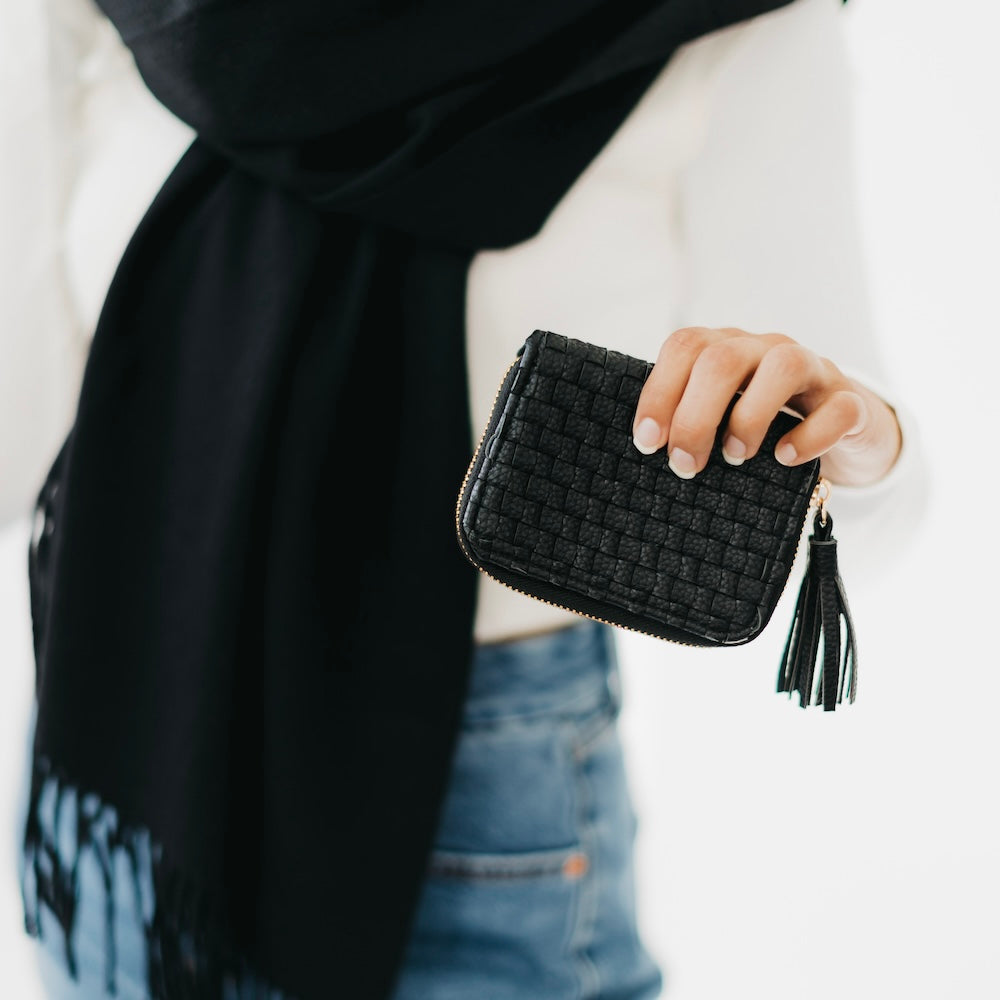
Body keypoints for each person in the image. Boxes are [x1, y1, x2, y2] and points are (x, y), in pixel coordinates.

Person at [15, 0, 920, 997]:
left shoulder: (723, 22)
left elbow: (856, 508)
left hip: (487, 770)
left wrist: (852, 432)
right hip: (137, 718)